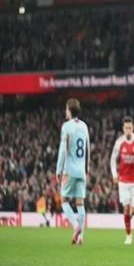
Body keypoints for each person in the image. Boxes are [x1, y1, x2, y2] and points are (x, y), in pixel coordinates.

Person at [110, 116, 134, 245]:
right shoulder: (119, 142)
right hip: (123, 182)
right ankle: (128, 235)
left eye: (130, 128)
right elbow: (112, 159)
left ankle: (131, 214)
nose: (128, 130)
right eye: (126, 128)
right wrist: (114, 174)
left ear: (133, 128)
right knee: (126, 209)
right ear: (123, 128)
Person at [56, 98, 90, 245]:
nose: (65, 111)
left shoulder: (66, 127)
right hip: (81, 170)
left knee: (64, 200)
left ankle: (76, 226)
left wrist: (58, 170)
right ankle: (81, 237)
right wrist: (87, 169)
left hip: (69, 170)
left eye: (66, 109)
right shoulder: (84, 126)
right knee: (80, 203)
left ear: (69, 110)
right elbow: (88, 149)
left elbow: (63, 151)